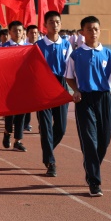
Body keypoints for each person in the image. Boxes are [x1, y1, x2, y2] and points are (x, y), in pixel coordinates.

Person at [65, 16, 111, 197]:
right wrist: (75, 90)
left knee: (104, 140)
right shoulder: (76, 55)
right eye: (89, 29)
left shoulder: (108, 54)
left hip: (104, 98)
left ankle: (91, 165)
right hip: (84, 99)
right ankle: (94, 182)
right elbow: (68, 76)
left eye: (96, 29)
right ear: (82, 33)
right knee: (90, 140)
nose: (93, 32)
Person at [35, 11, 72, 177]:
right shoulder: (38, 46)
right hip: (43, 87)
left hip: (61, 86)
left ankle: (47, 149)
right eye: (51, 22)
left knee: (61, 128)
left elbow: (72, 68)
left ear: (61, 24)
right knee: (45, 126)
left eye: (57, 22)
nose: (55, 24)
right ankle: (50, 162)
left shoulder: (67, 45)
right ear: (45, 25)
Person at [1, 20, 28, 152]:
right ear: (9, 32)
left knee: (21, 113)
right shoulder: (4, 47)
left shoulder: (29, 48)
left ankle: (18, 140)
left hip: (23, 86)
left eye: (20, 30)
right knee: (10, 114)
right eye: (14, 31)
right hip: (8, 86)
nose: (17, 33)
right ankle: (7, 132)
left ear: (23, 32)